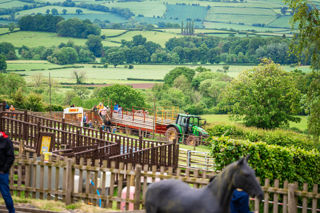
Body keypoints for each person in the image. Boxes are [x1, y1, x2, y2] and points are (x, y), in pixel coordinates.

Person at [0, 131, 15, 213]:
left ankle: (11, 211)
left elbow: (11, 157)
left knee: (5, 194)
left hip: (2, 173)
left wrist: (4, 170)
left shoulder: (7, 141)